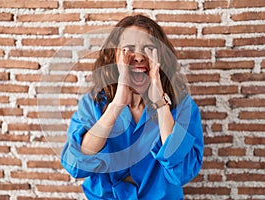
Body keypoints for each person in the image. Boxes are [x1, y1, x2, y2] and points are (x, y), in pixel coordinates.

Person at [61, 15, 204, 200]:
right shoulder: (93, 103)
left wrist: (160, 104)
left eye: (148, 48)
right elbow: (75, 165)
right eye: (128, 49)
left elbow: (181, 174)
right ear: (113, 55)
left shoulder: (183, 107)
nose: (138, 56)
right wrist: (116, 105)